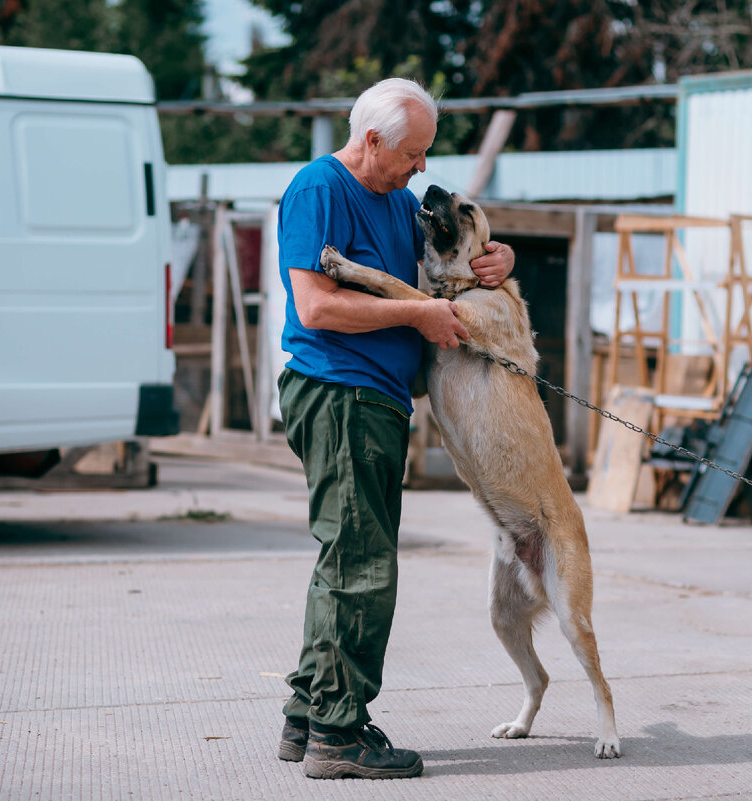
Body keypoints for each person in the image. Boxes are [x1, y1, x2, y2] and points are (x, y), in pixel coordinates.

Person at [274, 77, 515, 780]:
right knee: (362, 568)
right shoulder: (320, 189)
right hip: (340, 396)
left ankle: (307, 711)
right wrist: (416, 317)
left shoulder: (399, 201)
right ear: (372, 139)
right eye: (413, 153)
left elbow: (453, 259)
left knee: (341, 561)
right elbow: (315, 306)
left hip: (374, 402)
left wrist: (500, 260)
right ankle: (339, 733)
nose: (421, 169)